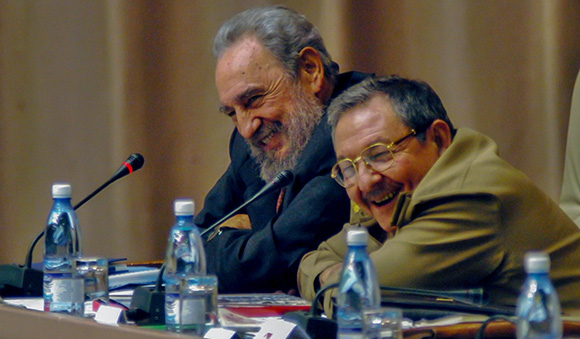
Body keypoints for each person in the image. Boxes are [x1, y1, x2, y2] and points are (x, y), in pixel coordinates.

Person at [298, 75, 580, 315]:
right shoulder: (398, 197)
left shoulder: (472, 197)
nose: (364, 181)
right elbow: (312, 260)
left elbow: (357, 294)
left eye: (380, 154)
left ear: (438, 139)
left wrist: (330, 277)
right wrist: (335, 273)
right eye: (348, 168)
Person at [194, 5, 371, 293]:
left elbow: (269, 264)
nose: (245, 128)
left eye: (253, 99)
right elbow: (190, 246)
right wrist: (239, 234)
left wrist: (237, 234)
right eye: (232, 113)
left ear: (310, 71)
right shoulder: (252, 142)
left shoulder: (356, 129)